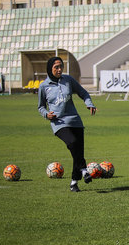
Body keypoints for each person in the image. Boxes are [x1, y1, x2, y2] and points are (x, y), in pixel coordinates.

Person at [38, 57, 97, 192]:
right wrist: (47, 114)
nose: (59, 70)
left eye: (61, 67)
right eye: (56, 67)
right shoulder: (44, 86)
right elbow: (40, 107)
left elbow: (83, 93)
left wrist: (89, 104)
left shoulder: (68, 80)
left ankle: (74, 182)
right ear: (49, 69)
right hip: (59, 123)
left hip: (75, 121)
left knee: (77, 152)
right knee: (72, 143)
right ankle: (84, 169)